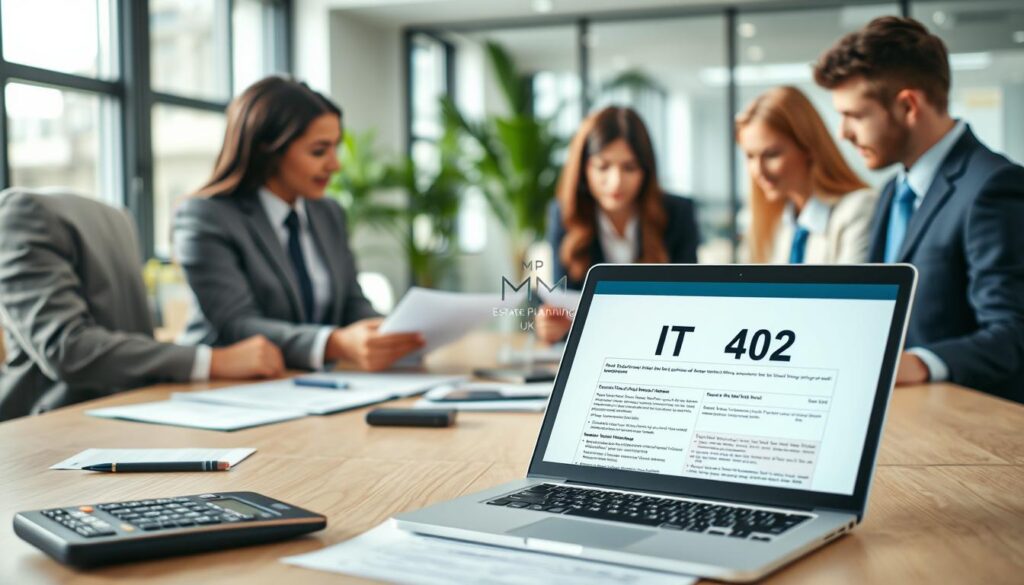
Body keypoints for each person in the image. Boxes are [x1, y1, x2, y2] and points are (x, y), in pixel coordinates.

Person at [814, 16, 1024, 402]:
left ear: (908, 106)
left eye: (855, 115)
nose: (843, 132)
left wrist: (920, 362)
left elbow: (1012, 334)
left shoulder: (994, 187)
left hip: (967, 433)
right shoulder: (893, 190)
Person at [174, 76, 424, 372]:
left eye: (335, 148)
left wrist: (387, 333)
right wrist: (335, 343)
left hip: (309, 382)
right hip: (228, 386)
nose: (335, 165)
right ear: (269, 150)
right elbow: (236, 325)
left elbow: (350, 303)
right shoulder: (206, 217)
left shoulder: (328, 213)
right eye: (319, 151)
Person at [0, 189, 283, 421]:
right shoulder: (23, 213)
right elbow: (67, 348)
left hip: (111, 418)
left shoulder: (113, 218)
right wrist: (214, 361)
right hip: (45, 429)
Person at [537, 106, 700, 343]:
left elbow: (691, 302)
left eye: (629, 167)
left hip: (662, 346)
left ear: (646, 171)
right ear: (584, 169)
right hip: (594, 348)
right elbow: (562, 301)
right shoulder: (564, 215)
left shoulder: (678, 213)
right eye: (603, 167)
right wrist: (551, 326)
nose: (615, 182)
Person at [736, 86, 876, 264]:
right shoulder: (777, 221)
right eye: (750, 156)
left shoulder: (858, 209)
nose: (758, 171)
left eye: (771, 155)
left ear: (808, 148)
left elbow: (851, 292)